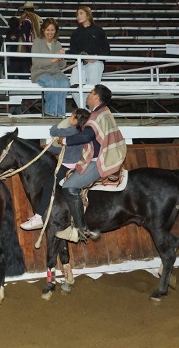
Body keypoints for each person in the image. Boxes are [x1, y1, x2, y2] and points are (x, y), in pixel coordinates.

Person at [56, 84, 126, 242]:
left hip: (99, 161)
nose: (87, 95)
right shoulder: (105, 113)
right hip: (106, 156)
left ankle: (82, 230)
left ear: (96, 96)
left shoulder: (97, 115)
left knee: (68, 187)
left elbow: (86, 137)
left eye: (90, 93)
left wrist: (65, 140)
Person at [20, 108, 90, 231]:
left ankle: (38, 217)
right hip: (74, 162)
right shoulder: (80, 132)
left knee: (49, 185)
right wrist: (46, 149)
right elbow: (64, 150)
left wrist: (62, 123)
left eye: (71, 116)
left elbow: (53, 131)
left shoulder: (71, 130)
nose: (70, 118)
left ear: (76, 120)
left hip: (68, 165)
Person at [68, 7, 110, 107]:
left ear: (88, 15)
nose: (78, 16)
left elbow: (106, 50)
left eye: (81, 13)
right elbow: (72, 50)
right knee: (74, 86)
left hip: (96, 63)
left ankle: (90, 111)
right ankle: (84, 111)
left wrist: (96, 57)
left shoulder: (98, 30)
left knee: (92, 89)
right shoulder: (76, 33)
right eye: (77, 14)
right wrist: (81, 56)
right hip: (80, 62)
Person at [31, 18, 68, 117]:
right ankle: (50, 113)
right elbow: (36, 62)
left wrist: (61, 58)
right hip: (40, 73)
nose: (50, 32)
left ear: (56, 31)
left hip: (56, 72)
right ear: (43, 30)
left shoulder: (58, 44)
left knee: (65, 83)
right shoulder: (37, 42)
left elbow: (62, 65)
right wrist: (52, 60)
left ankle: (60, 114)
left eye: (52, 30)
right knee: (52, 83)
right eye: (48, 30)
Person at [17, 2, 43, 77]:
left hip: (29, 45)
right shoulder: (38, 17)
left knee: (25, 65)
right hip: (38, 43)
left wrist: (24, 42)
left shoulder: (27, 18)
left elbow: (25, 32)